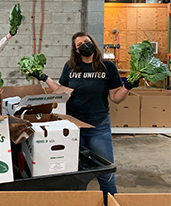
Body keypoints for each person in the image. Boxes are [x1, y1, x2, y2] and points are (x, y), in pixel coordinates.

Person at [31, 31, 139, 206]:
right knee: (76, 175)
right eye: (79, 45)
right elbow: (61, 92)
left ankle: (110, 202)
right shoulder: (71, 67)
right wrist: (45, 78)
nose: (84, 46)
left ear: (93, 43)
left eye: (86, 42)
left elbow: (115, 98)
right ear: (76, 50)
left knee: (106, 174)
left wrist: (128, 86)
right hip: (74, 127)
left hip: (99, 126)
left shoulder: (107, 67)